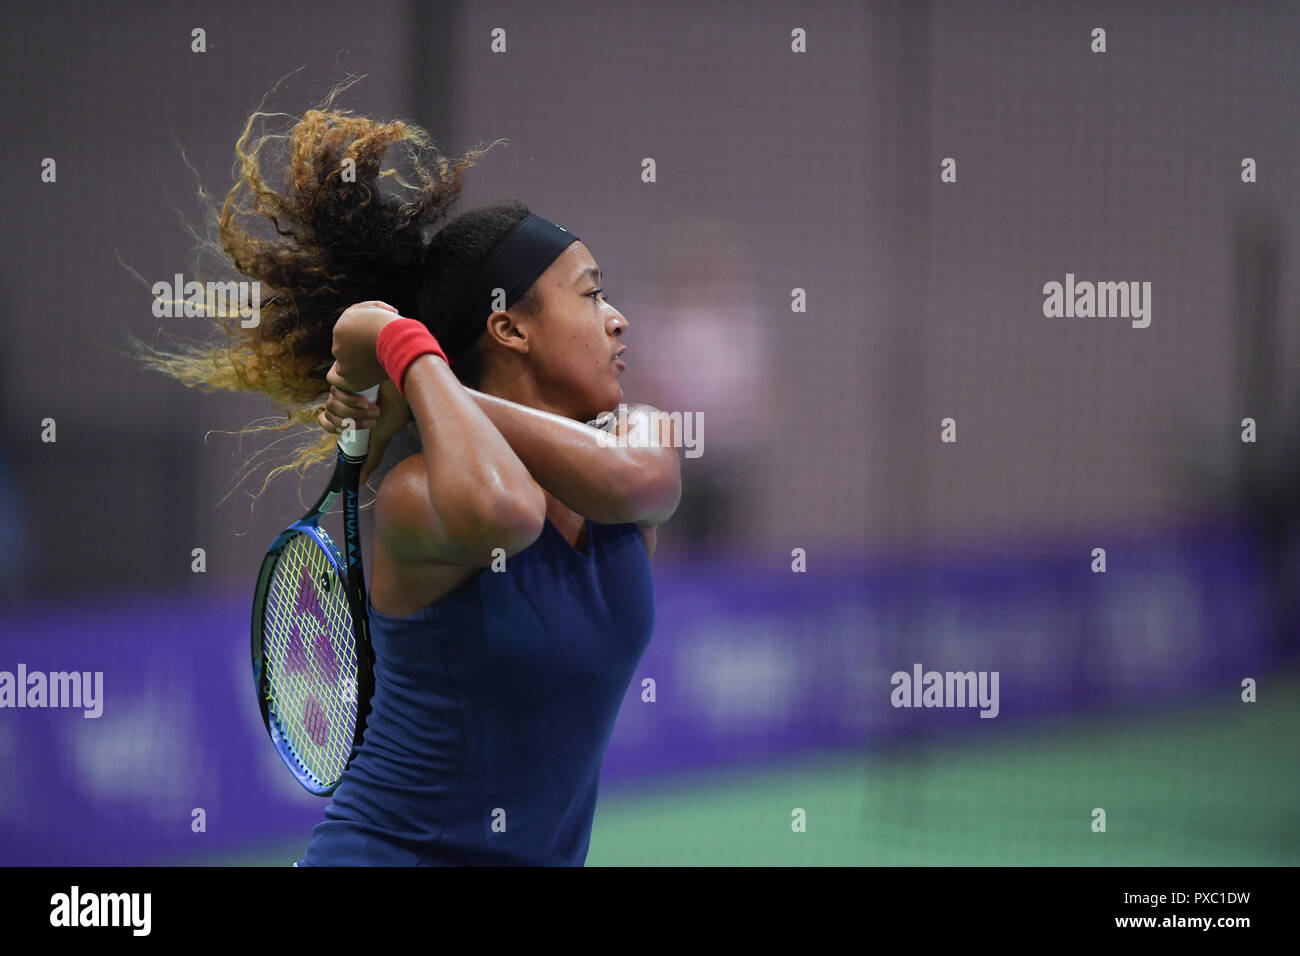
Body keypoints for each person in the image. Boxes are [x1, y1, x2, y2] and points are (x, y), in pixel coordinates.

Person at [138, 92, 681, 865]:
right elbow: (504, 509)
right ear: (508, 326)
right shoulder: (409, 495)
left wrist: (422, 377)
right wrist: (397, 340)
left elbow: (642, 481)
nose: (618, 317)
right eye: (592, 295)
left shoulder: (634, 442)